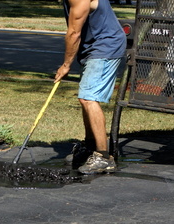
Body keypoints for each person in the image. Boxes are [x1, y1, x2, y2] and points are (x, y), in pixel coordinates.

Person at [55, 0, 126, 174]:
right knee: (84, 97)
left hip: (105, 46)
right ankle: (90, 147)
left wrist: (66, 65)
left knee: (89, 97)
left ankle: (103, 157)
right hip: (93, 47)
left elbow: (74, 33)